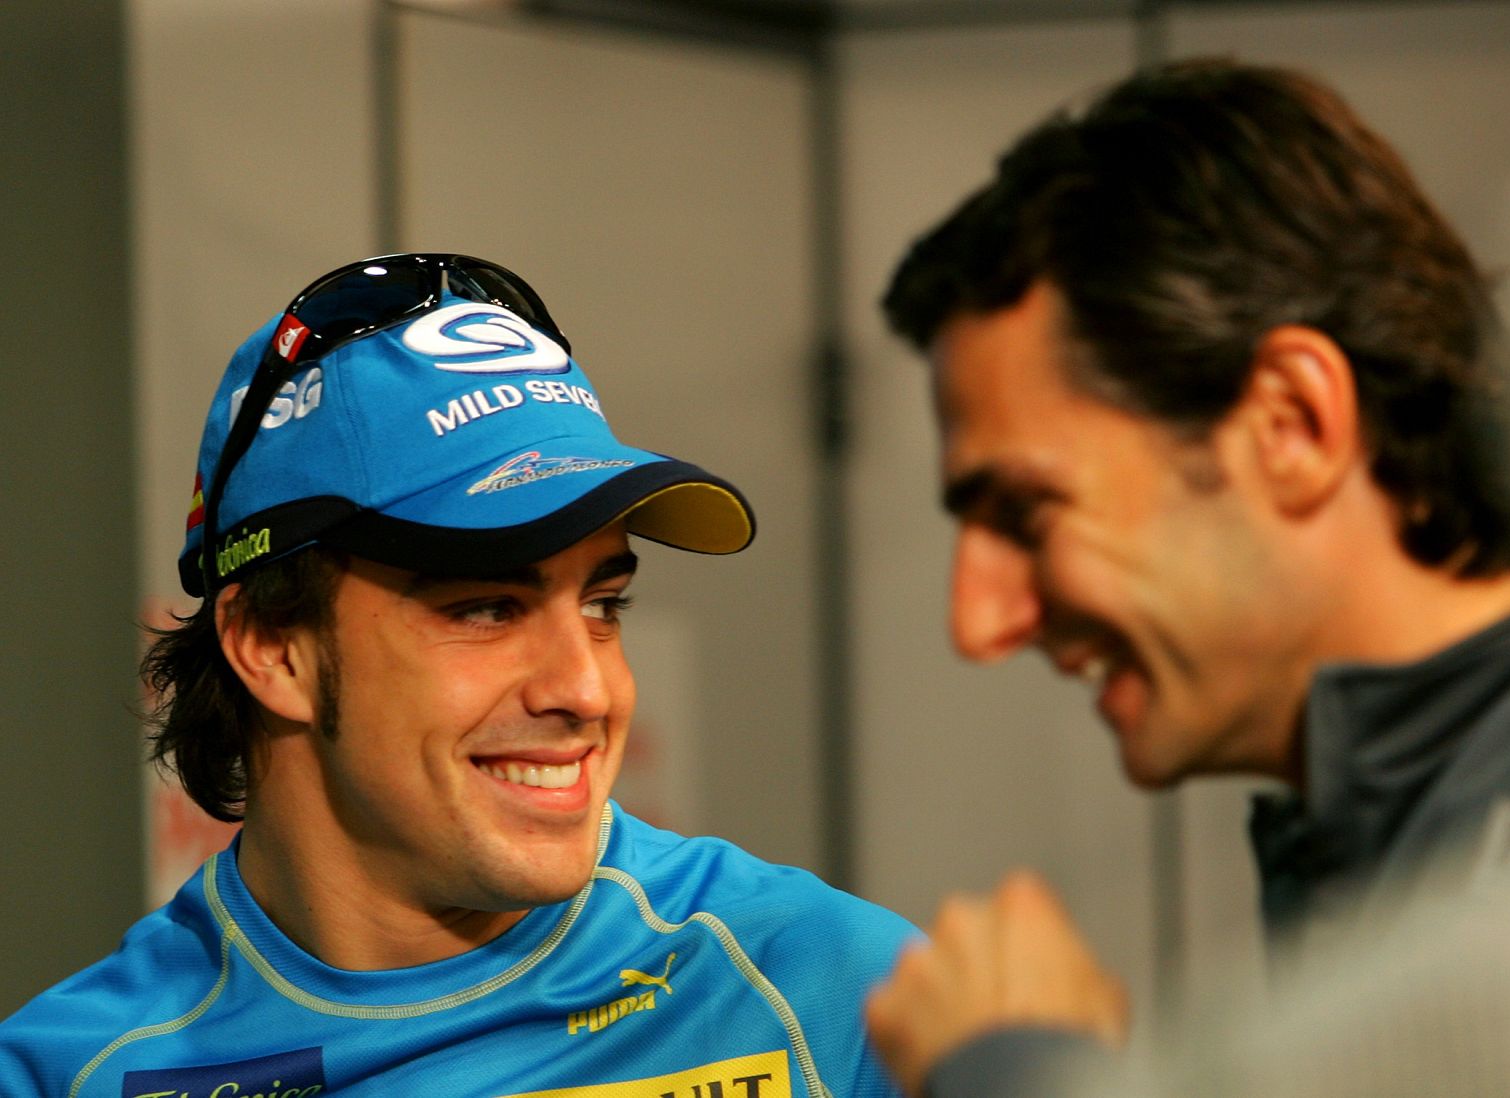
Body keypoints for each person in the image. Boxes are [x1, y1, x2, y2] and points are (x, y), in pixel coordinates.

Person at [0, 253, 915, 1096]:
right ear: (273, 646)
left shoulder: (830, 991)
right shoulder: (73, 1074)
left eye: (604, 606)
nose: (588, 691)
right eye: (486, 609)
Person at [862, 59, 1510, 1097]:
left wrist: (1011, 1070)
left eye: (1025, 513)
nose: (976, 621)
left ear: (1291, 424)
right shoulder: (1419, 831)